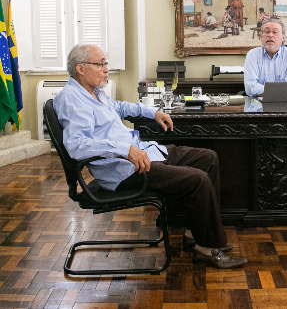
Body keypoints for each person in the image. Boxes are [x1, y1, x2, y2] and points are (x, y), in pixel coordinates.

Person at [53, 44, 247, 269]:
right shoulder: (71, 99)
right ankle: (207, 249)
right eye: (101, 64)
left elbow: (121, 107)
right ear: (81, 68)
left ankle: (195, 233)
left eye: (106, 64)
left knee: (208, 158)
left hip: (139, 156)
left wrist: (152, 112)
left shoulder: (95, 93)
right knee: (198, 180)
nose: (106, 69)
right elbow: (78, 146)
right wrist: (123, 149)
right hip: (123, 170)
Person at [243, 19, 287, 96]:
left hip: (285, 105)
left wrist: (264, 91)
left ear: (283, 37)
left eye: (275, 32)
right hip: (258, 105)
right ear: (261, 36)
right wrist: (281, 91)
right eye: (267, 31)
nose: (270, 35)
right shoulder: (253, 55)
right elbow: (250, 88)